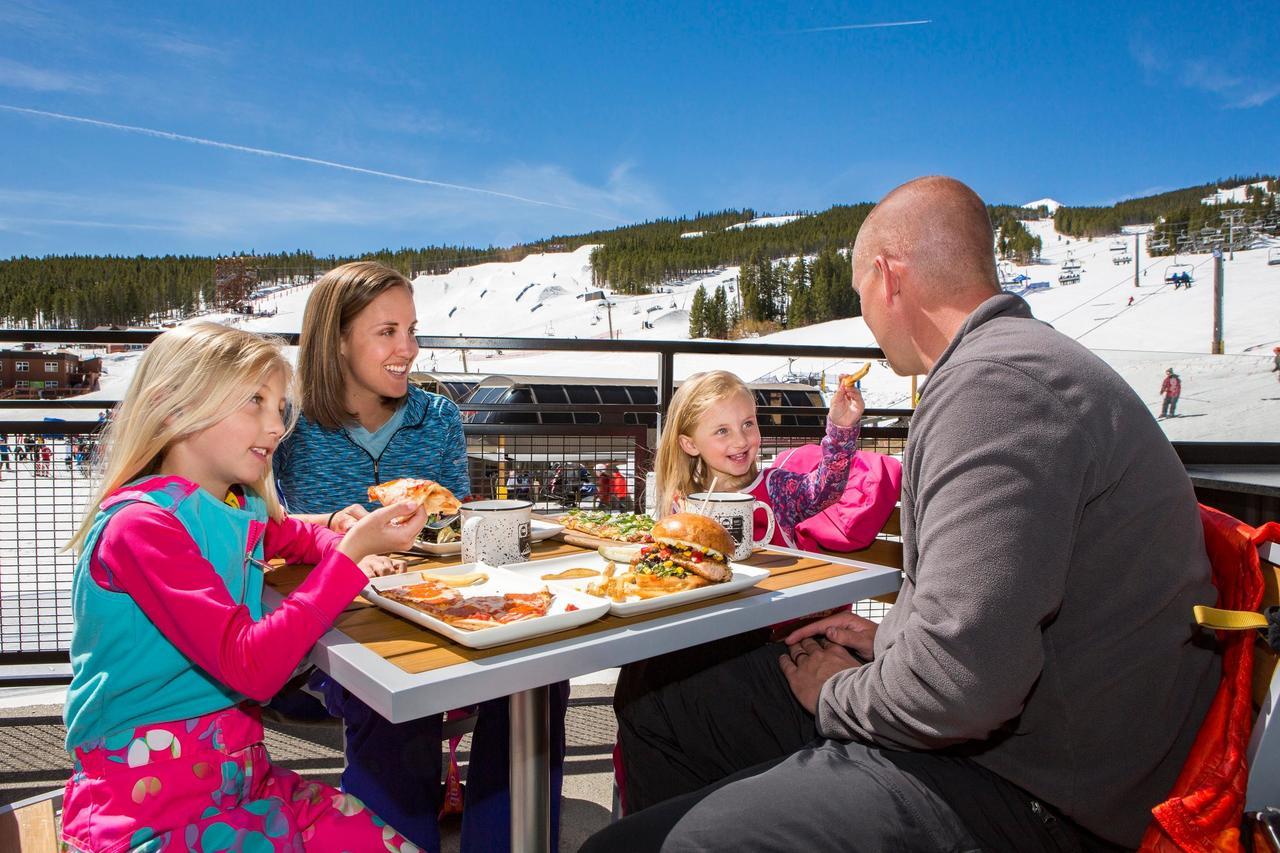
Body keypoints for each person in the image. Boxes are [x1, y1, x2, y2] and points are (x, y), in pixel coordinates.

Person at [584, 176, 1218, 853]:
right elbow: (990, 615)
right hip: (1033, 745)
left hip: (1036, 792)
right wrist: (885, 645)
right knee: (658, 699)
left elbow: (961, 688)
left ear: (886, 278)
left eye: (859, 293)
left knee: (631, 846)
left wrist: (837, 692)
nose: (865, 315)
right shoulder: (1017, 368)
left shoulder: (996, 391)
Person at [59, 322, 426, 851]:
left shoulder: (239, 504)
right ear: (175, 406)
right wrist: (348, 559)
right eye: (254, 401)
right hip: (148, 801)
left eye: (280, 407)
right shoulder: (140, 527)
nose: (275, 426)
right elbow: (251, 667)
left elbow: (294, 536)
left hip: (240, 780)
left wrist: (344, 543)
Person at [272, 261, 569, 853]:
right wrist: (335, 528)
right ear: (335, 340)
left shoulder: (438, 418)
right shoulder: (287, 424)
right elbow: (254, 523)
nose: (408, 348)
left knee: (540, 682)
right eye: (387, 332)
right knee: (394, 705)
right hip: (328, 634)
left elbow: (456, 523)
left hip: (437, 608)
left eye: (412, 329)